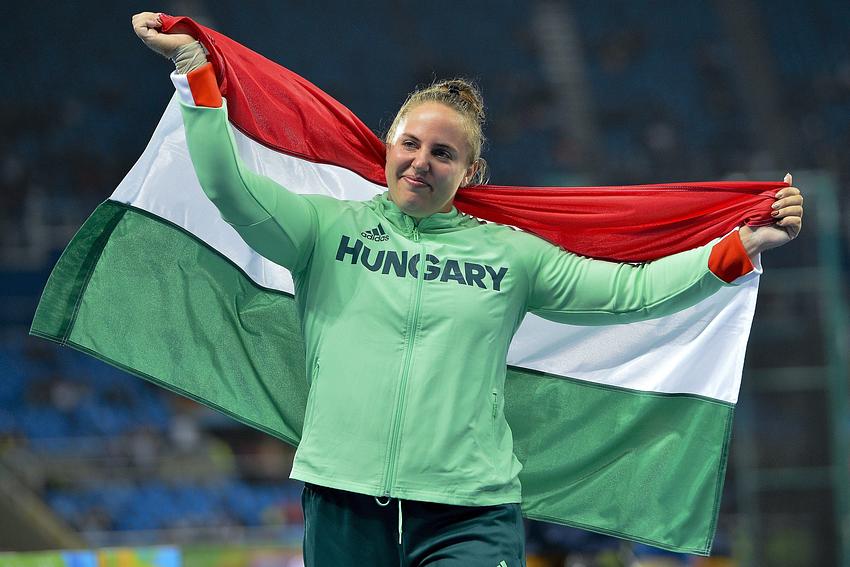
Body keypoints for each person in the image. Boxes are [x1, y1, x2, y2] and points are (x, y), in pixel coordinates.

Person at [131, 12, 804, 566]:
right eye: (410, 143)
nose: (421, 161)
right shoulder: (325, 229)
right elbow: (228, 186)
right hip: (342, 497)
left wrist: (737, 248)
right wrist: (196, 71)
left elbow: (629, 291)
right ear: (388, 146)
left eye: (443, 153)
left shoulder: (510, 255)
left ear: (470, 171)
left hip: (469, 512)